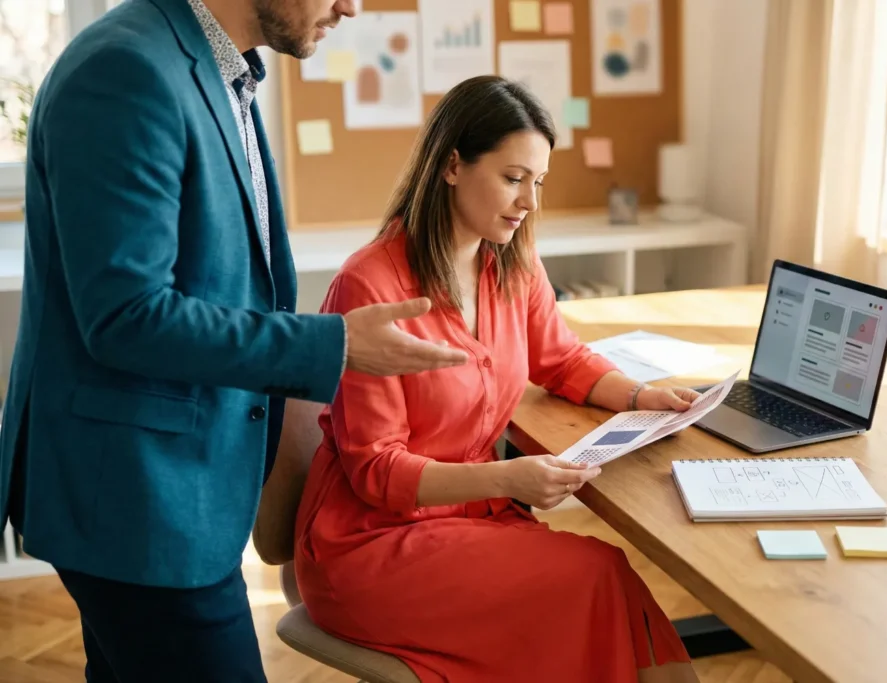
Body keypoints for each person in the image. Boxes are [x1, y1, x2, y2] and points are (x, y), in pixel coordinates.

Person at [0, 0, 468, 681]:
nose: (352, 5)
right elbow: (127, 315)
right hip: (136, 501)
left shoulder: (222, 72)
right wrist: (330, 345)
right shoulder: (126, 70)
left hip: (168, 490)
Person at [293, 75, 703, 683]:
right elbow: (378, 471)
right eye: (514, 179)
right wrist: (509, 476)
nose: (530, 202)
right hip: (372, 544)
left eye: (538, 182)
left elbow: (561, 359)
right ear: (453, 165)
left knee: (600, 580)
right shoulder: (370, 285)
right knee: (593, 574)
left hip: (471, 520)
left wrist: (645, 397)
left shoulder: (511, 261)